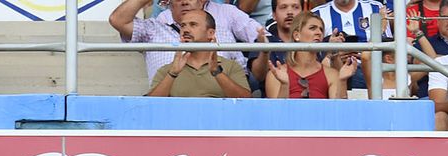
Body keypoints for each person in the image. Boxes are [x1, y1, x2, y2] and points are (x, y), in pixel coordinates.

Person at [108, 0, 260, 86]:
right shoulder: (154, 30)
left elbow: (242, 82)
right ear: (169, 4)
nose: (185, 2)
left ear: (202, 2)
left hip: (219, 105)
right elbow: (117, 20)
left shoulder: (221, 32)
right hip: (168, 106)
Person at [149, 11, 252, 98]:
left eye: (193, 24)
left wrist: (217, 72)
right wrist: (172, 74)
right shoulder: (167, 70)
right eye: (183, 25)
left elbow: (246, 101)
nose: (185, 30)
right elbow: (149, 106)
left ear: (210, 33)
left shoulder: (231, 66)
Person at [264, 12, 348, 98]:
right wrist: (284, 85)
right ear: (296, 35)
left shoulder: (331, 74)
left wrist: (343, 80)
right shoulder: (276, 74)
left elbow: (338, 110)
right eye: (312, 28)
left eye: (321, 30)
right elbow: (277, 110)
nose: (319, 33)